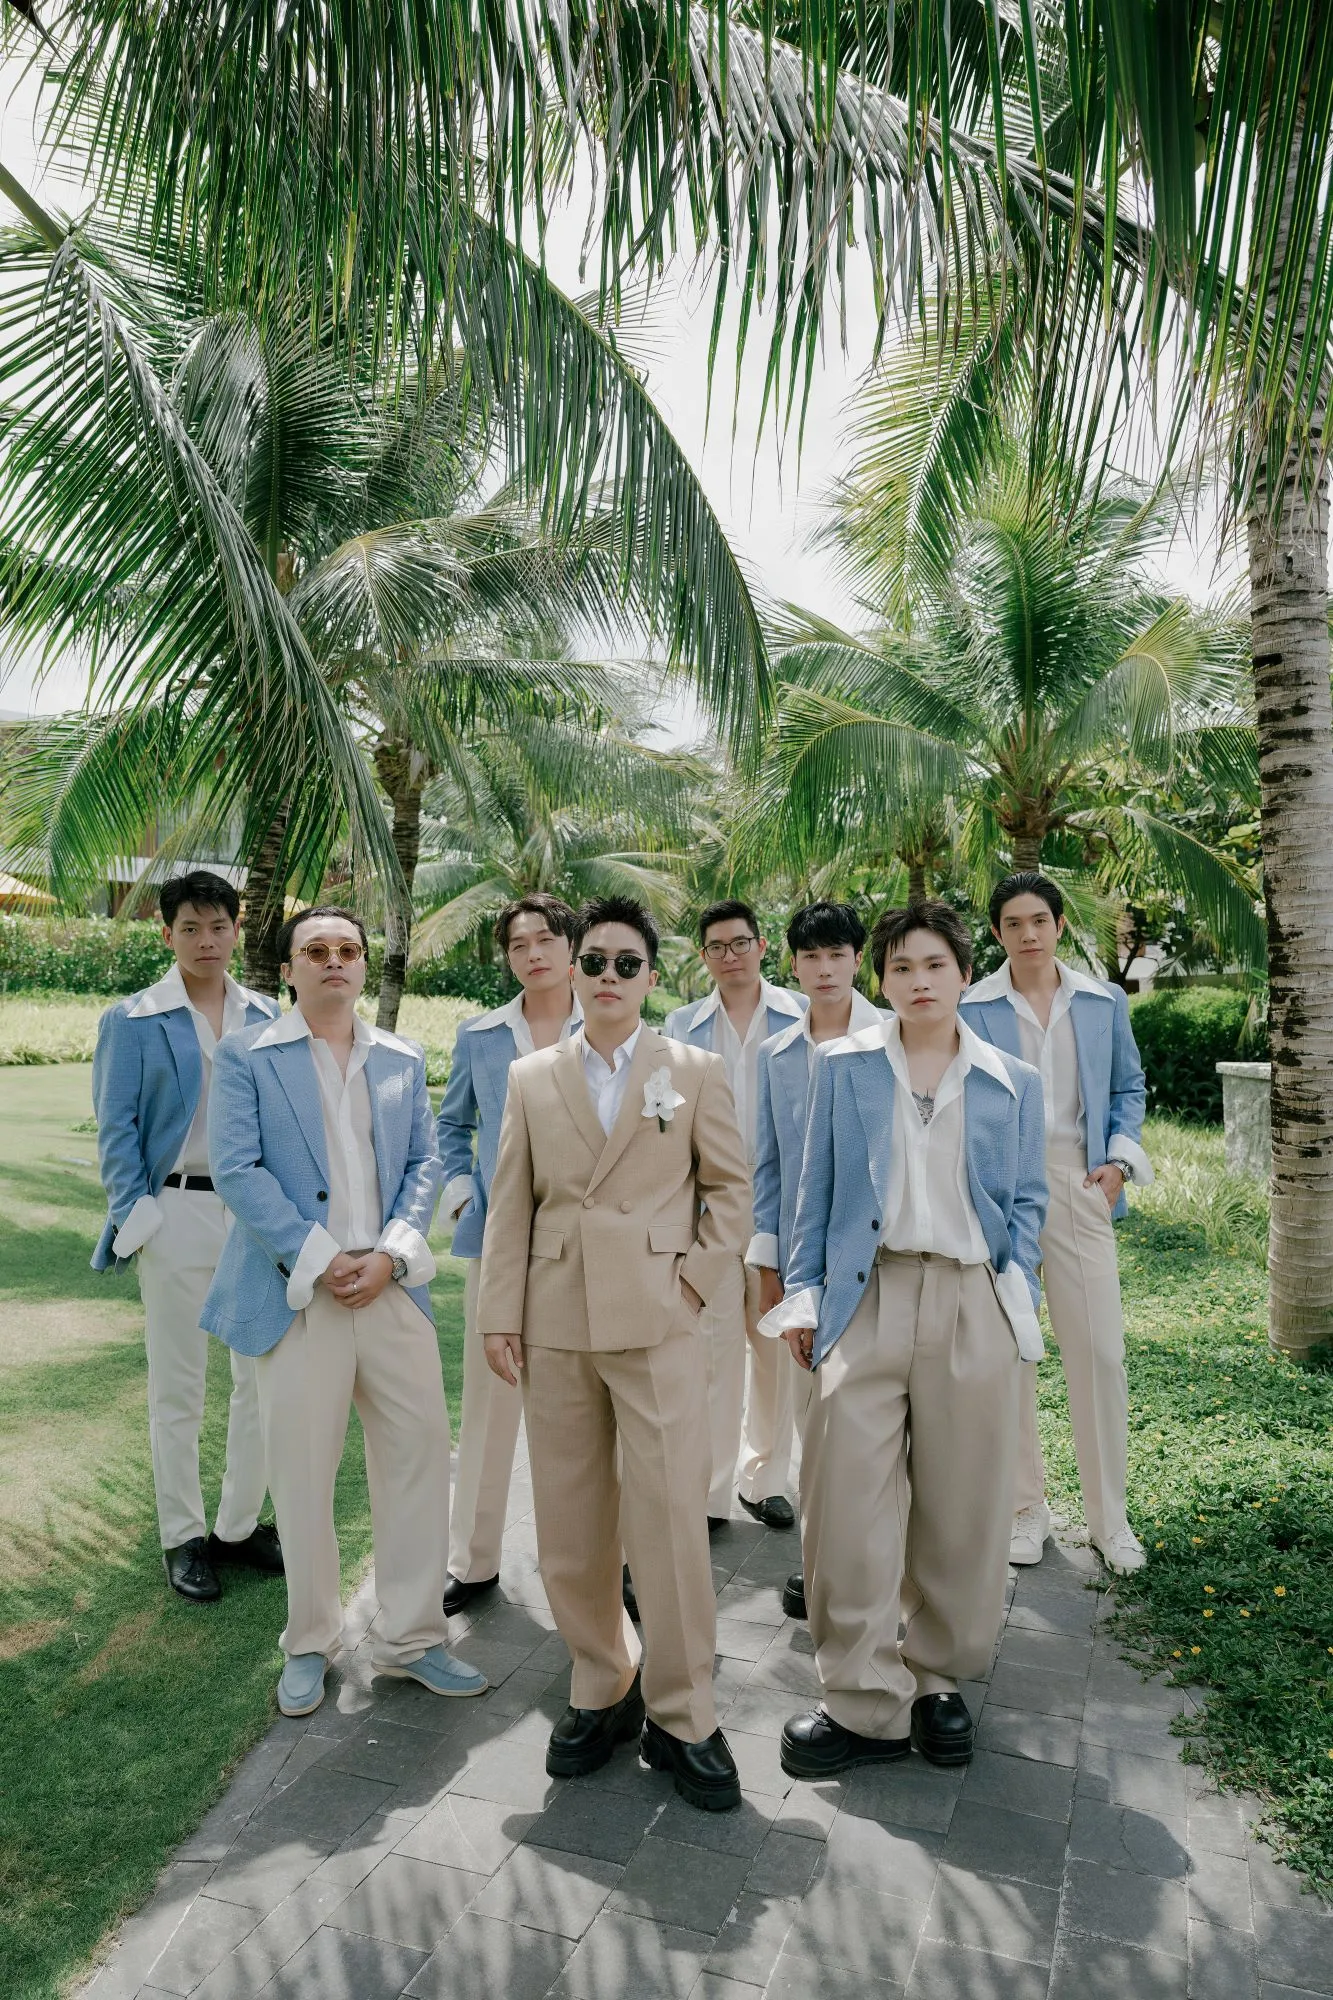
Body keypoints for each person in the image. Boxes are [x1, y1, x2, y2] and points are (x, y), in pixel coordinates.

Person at [761, 901, 1047, 1778]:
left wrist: (1015, 1292)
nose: (918, 982)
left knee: (963, 1510)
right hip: (867, 1298)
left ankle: (938, 1683)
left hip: (971, 1304)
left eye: (934, 966)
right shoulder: (842, 1067)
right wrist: (802, 1302)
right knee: (845, 1505)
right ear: (879, 981)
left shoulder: (1010, 1079)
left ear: (965, 973)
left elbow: (1026, 1202)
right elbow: (812, 1193)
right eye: (900, 969)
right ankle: (859, 1698)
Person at [479, 895, 751, 1811]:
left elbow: (731, 1192)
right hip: (555, 1318)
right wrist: (497, 1315)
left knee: (670, 1522)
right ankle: (602, 1682)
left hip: (655, 1320)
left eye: (626, 963)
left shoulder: (696, 1070)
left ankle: (686, 1712)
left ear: (651, 975)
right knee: (568, 1522)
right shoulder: (529, 1077)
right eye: (593, 960)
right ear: (572, 965)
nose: (606, 977)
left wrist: (688, 1288)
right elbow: (510, 1204)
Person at [202, 906, 486, 1719]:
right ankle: (309, 1643)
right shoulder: (247, 1056)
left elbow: (427, 1161)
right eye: (316, 951)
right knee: (300, 1476)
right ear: (287, 969)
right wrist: (324, 1259)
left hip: (393, 1288)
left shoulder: (401, 1056)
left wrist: (392, 1253)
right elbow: (237, 1168)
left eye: (348, 950)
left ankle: (411, 1640)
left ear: (364, 966)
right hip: (299, 1295)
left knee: (419, 1460)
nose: (334, 962)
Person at [92, 870, 282, 1604]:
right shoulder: (134, 1019)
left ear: (237, 931)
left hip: (254, 1217)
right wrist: (134, 1212)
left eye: (219, 926)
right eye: (191, 928)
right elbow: (118, 1127)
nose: (207, 941)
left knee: (257, 1379)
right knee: (178, 1385)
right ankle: (183, 1535)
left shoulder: (268, 1014)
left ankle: (238, 1526)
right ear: (167, 933)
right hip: (173, 1213)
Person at [961, 871, 1153, 1576]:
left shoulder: (1101, 1001)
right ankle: (1023, 1508)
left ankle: (1110, 1520)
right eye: (1012, 923)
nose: (1027, 934)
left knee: (1098, 1354)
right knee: (1012, 1352)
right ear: (996, 933)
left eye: (1038, 920)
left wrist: (1116, 1164)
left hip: (1080, 1186)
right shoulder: (971, 1005)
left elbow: (1126, 1086)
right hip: (1001, 1198)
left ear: (1059, 925)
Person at [436, 894, 582, 1616]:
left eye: (545, 939)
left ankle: (601, 1560)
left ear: (570, 946)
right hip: (499, 1243)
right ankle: (473, 1560)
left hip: (586, 1249)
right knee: (488, 1407)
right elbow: (450, 1124)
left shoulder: (610, 1022)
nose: (532, 953)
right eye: (518, 944)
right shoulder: (481, 1036)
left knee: (588, 1411)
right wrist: (464, 1193)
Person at [745, 901, 881, 1621]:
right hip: (803, 1267)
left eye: (836, 955)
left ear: (857, 958)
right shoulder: (773, 1055)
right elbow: (766, 1167)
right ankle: (815, 1563)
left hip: (876, 1261)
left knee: (871, 1422)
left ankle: (876, 1570)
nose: (824, 970)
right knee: (806, 1418)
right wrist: (767, 1266)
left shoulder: (892, 1039)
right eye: (810, 958)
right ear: (791, 966)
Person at [664, 900, 806, 1530]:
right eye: (717, 946)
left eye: (740, 942)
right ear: (704, 957)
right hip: (712, 1208)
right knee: (716, 1349)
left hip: (784, 1207)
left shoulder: (799, 1015)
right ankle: (712, 1492)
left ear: (762, 944)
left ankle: (766, 1474)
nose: (730, 954)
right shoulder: (681, 1025)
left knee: (773, 1344)